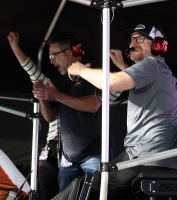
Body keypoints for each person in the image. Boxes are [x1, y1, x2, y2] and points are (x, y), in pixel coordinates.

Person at [66, 23, 177, 199]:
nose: (132, 43)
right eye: (131, 39)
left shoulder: (151, 64)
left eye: (140, 38)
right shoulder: (157, 70)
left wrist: (81, 69)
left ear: (158, 45)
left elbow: (111, 82)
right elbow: (126, 87)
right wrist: (121, 64)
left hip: (147, 157)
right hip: (146, 155)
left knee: (85, 190)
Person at [31, 32, 115, 192]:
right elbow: (50, 117)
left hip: (95, 154)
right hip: (68, 158)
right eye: (49, 57)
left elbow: (93, 105)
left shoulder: (92, 74)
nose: (52, 61)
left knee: (94, 195)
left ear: (70, 52)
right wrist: (42, 96)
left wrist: (55, 95)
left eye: (53, 56)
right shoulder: (59, 80)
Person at [7, 31, 60, 200]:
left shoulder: (87, 87)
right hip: (52, 147)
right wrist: (15, 47)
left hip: (75, 152)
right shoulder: (52, 85)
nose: (53, 61)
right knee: (46, 191)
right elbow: (31, 70)